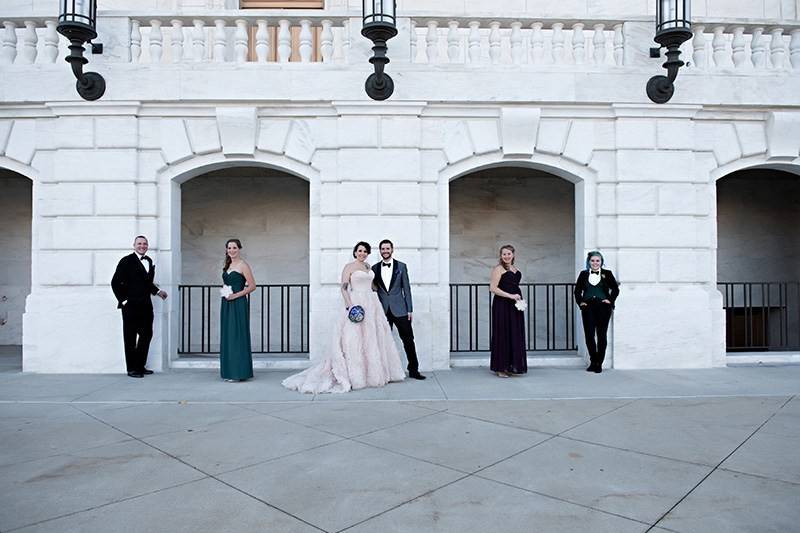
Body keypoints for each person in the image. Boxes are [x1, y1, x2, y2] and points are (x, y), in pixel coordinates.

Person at [283, 241, 405, 393]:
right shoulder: (349, 267)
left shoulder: (368, 267)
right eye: (360, 251)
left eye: (365, 251)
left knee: (372, 338)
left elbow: (372, 285)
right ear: (355, 252)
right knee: (354, 339)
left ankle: (373, 374)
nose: (362, 253)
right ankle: (356, 376)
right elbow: (344, 287)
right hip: (356, 302)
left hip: (372, 303)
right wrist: (350, 305)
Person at [111, 235, 168, 378]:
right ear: (134, 245)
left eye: (145, 244)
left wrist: (158, 291)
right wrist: (123, 301)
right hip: (130, 306)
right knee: (130, 337)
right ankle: (132, 369)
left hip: (146, 306)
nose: (142, 246)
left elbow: (147, 283)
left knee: (146, 335)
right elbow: (115, 282)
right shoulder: (126, 261)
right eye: (139, 243)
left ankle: (140, 366)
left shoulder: (149, 261)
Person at [371, 239, 426, 380]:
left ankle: (414, 370)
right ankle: (384, 372)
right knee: (382, 341)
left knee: (408, 340)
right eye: (382, 249)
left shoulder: (401, 266)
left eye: (387, 248)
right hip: (383, 310)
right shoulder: (374, 268)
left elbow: (407, 289)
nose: (385, 251)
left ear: (392, 249)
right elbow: (373, 289)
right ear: (380, 251)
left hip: (401, 310)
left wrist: (410, 309)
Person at [573, 251, 619, 373]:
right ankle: (593, 361)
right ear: (589, 262)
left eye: (597, 260)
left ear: (601, 262)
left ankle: (599, 363)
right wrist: (581, 302)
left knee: (601, 335)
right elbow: (577, 291)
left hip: (603, 307)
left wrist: (609, 300)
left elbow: (615, 289)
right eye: (592, 260)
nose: (595, 263)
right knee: (589, 335)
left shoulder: (607, 274)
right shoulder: (583, 274)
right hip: (588, 307)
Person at [220, 238, 256, 382]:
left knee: (237, 335)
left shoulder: (243, 265)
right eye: (229, 248)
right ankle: (229, 371)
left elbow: (252, 286)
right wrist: (224, 291)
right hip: (227, 303)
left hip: (238, 303)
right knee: (228, 335)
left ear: (239, 249)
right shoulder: (227, 265)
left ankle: (239, 372)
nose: (232, 250)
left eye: (234, 247)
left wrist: (235, 295)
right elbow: (227, 283)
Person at [489, 244, 527, 377]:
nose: (506, 256)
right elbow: (493, 288)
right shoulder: (498, 269)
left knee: (514, 333)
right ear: (500, 256)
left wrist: (518, 299)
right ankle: (500, 368)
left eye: (508, 254)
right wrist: (511, 296)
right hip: (502, 305)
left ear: (513, 255)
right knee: (503, 334)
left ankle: (511, 365)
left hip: (515, 306)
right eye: (504, 254)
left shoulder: (515, 268)